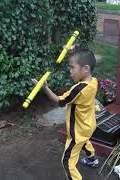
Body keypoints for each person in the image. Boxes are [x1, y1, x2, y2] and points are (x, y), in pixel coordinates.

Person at [32, 46, 99, 180]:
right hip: (88, 124)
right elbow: (80, 66)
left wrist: (45, 88)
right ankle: (93, 160)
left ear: (86, 68)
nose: (70, 71)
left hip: (78, 130)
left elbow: (59, 100)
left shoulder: (78, 90)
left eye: (72, 68)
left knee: (67, 162)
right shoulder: (93, 81)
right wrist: (73, 54)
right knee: (84, 141)